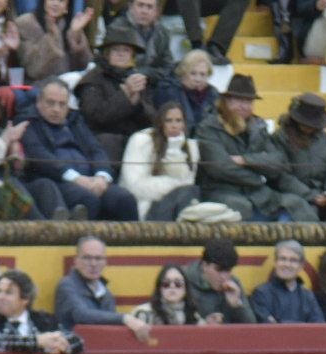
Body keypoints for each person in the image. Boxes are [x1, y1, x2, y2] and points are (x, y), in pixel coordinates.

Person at [194, 74, 315, 223]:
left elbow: (278, 161)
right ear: (226, 101)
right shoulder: (209, 127)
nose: (244, 106)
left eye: (248, 101)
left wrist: (245, 160)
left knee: (297, 205)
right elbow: (220, 168)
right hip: (221, 191)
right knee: (240, 207)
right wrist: (258, 177)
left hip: (259, 193)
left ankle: (288, 244)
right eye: (239, 100)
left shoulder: (258, 127)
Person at [20, 78, 140, 221]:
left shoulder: (75, 120)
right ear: (39, 103)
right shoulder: (28, 121)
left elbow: (96, 149)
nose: (56, 109)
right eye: (50, 103)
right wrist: (77, 179)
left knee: (124, 198)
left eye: (62, 104)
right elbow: (40, 156)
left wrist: (102, 176)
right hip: (57, 181)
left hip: (91, 179)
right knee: (87, 198)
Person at [75, 24, 154, 166]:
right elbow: (96, 117)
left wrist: (137, 104)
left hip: (133, 142)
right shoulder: (93, 79)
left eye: (126, 50)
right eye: (116, 50)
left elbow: (152, 120)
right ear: (107, 53)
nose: (121, 54)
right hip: (101, 143)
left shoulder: (136, 79)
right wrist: (124, 95)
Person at [55, 235, 153, 339]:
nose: (93, 263)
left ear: (105, 262)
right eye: (87, 258)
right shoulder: (66, 285)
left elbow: (111, 329)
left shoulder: (106, 293)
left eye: (98, 258)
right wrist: (125, 318)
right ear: (76, 261)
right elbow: (82, 315)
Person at [120, 102, 200, 221]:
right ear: (160, 122)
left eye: (178, 121)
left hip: (180, 201)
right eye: (169, 120)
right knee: (187, 192)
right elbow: (135, 186)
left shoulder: (191, 147)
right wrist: (174, 186)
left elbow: (189, 181)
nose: (174, 126)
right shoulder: (141, 140)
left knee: (191, 193)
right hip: (146, 204)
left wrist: (175, 150)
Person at [272, 92, 326, 221]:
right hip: (291, 195)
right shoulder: (280, 138)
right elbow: (282, 177)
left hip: (320, 193)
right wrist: (311, 196)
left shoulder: (324, 139)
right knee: (305, 208)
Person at [0, 269, 85, 351]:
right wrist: (37, 342)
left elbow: (77, 340)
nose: (0, 297)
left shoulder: (44, 320)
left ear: (25, 299)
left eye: (8, 293)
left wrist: (63, 347)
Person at [251, 239, 326, 323]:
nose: (287, 264)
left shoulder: (308, 296)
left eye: (293, 260)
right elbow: (267, 327)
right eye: (283, 259)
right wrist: (303, 325)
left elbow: (318, 328)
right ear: (275, 262)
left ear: (301, 266)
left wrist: (279, 322)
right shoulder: (261, 293)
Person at [16, 0, 93, 83]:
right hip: (37, 84)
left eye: (61, 1)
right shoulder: (26, 23)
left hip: (69, 83)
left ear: (67, 7)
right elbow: (34, 70)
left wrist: (75, 34)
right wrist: (52, 36)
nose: (55, 4)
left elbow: (85, 66)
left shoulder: (71, 25)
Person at [106, 0, 173, 88]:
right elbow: (111, 65)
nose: (144, 11)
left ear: (156, 11)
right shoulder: (117, 28)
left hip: (153, 83)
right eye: (140, 5)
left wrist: (145, 73)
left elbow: (167, 66)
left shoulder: (162, 32)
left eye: (149, 7)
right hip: (120, 83)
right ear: (130, 7)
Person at [152, 49, 217, 133]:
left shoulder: (213, 94)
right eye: (193, 73)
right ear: (183, 72)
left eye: (202, 74)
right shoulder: (168, 90)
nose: (198, 79)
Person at [131, 264, 203, 325]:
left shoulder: (194, 315)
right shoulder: (143, 313)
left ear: (185, 288)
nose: (172, 287)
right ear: (159, 288)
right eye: (166, 284)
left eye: (178, 284)